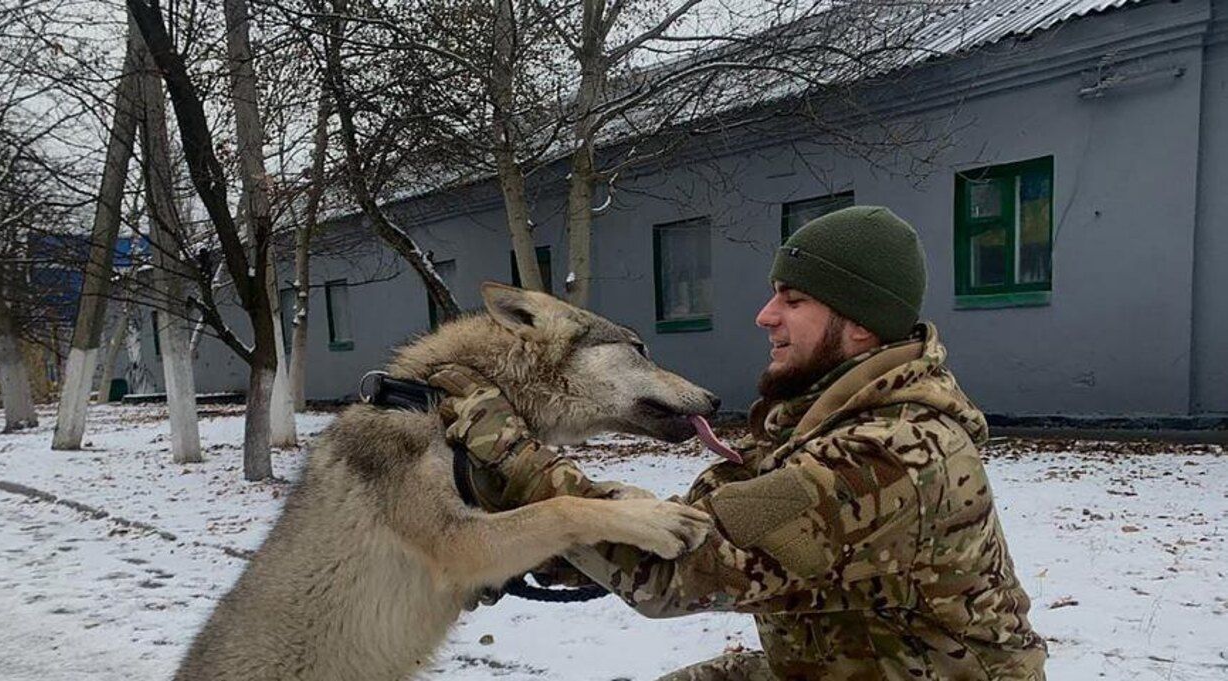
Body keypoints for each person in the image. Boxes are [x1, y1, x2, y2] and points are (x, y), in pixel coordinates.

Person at [431, 206, 1048, 680]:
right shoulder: (817, 423)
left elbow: (676, 574)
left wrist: (511, 454)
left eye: (794, 299)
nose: (765, 315)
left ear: (860, 325)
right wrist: (531, 552)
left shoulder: (889, 458)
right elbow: (698, 525)